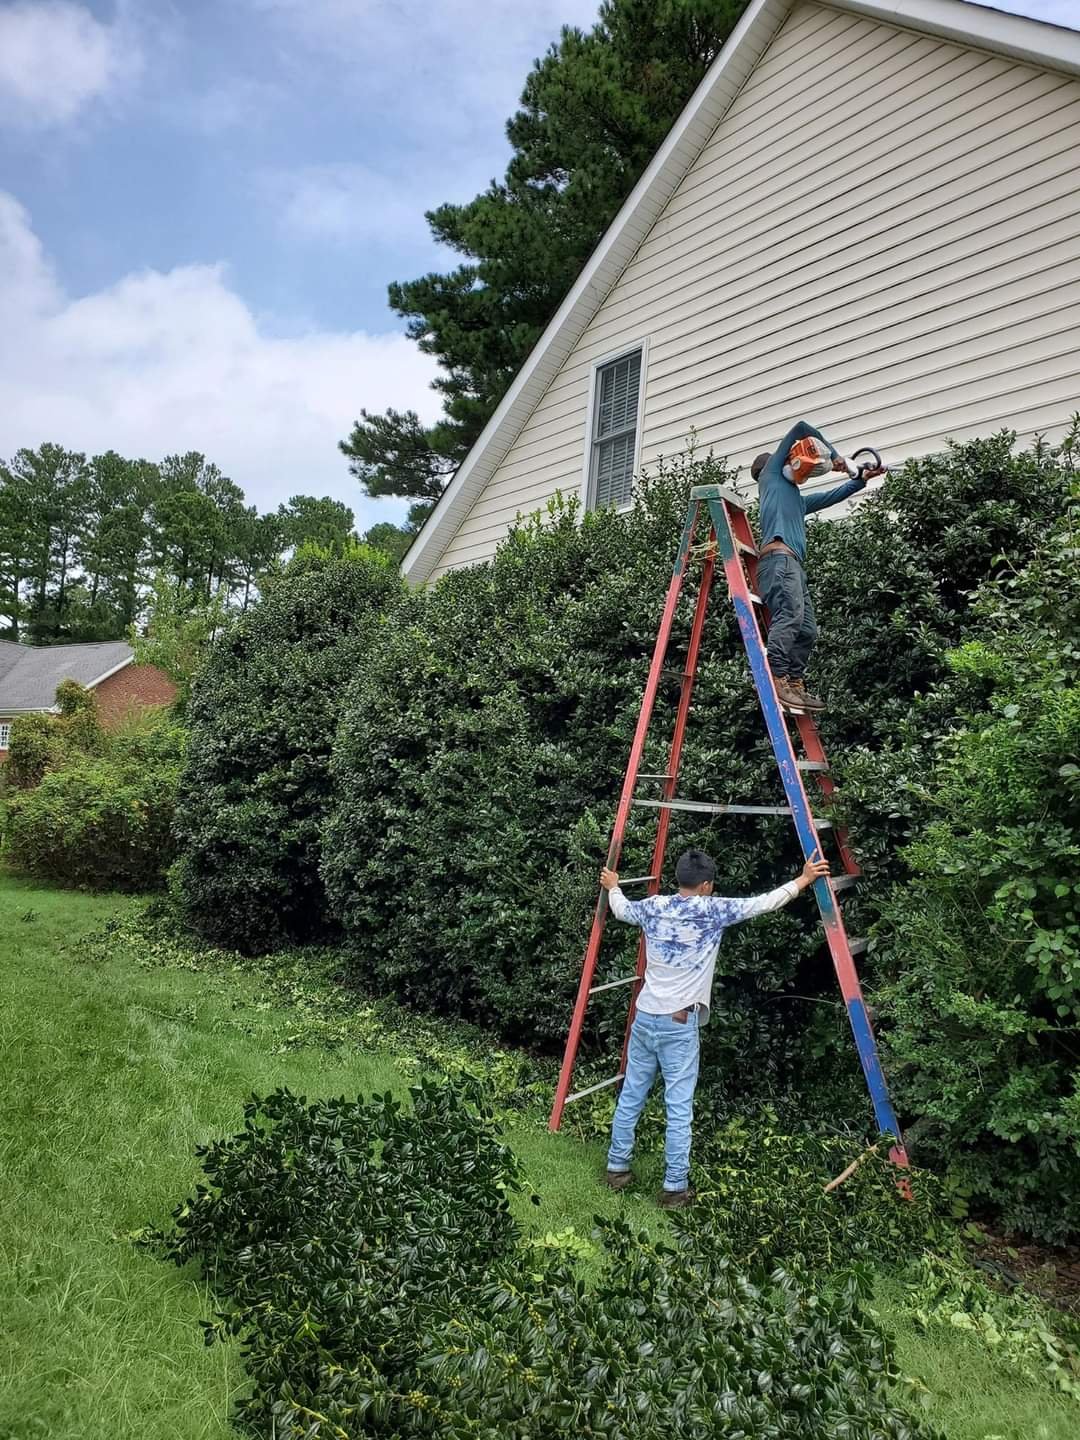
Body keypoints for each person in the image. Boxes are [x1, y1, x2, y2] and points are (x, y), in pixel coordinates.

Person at [601, 846, 830, 1207]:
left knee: (631, 1094)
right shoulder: (713, 911)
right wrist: (803, 879)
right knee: (678, 1106)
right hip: (679, 1022)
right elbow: (764, 902)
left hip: (644, 1016)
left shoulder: (654, 906)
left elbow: (621, 909)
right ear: (706, 885)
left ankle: (617, 1169)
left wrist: (613, 885)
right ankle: (674, 1189)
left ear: (680, 880)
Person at [751, 420, 881, 713]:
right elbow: (801, 428)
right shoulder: (771, 479)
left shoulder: (794, 499)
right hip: (778, 561)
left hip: (793, 566)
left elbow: (830, 497)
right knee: (791, 617)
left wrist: (861, 479)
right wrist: (836, 456)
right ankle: (778, 677)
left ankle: (794, 683)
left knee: (807, 629)